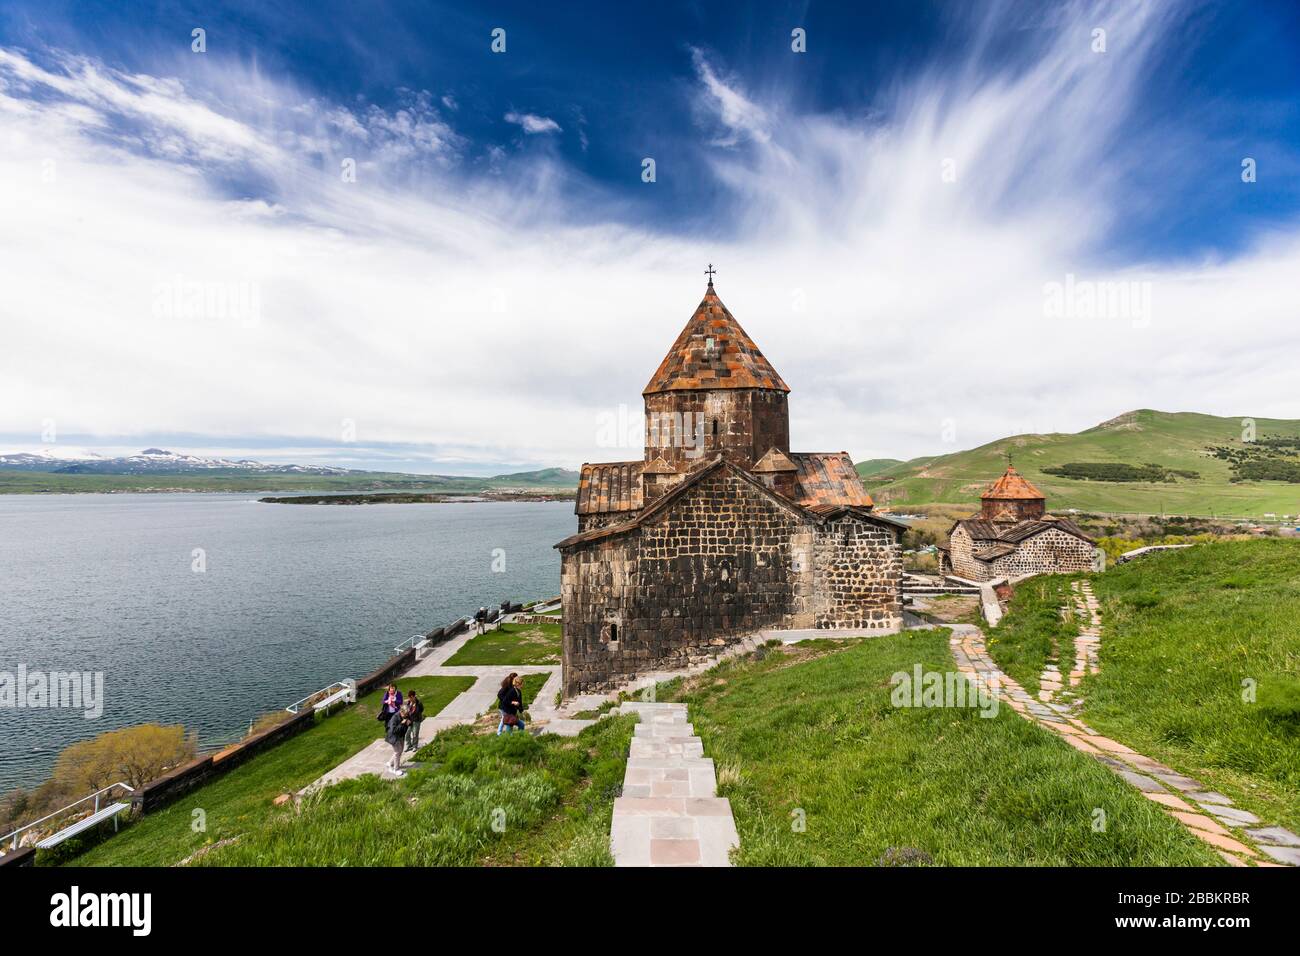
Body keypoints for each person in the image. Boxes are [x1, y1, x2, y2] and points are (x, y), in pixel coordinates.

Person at [385, 700, 410, 776]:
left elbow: (408, 720)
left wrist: (409, 722)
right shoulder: (395, 718)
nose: (406, 716)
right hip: (394, 737)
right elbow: (394, 730)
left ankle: (390, 763)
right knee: (397, 752)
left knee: (400, 750)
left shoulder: (406, 715)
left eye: (407, 714)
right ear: (401, 712)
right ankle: (396, 769)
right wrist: (402, 724)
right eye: (405, 714)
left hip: (401, 736)